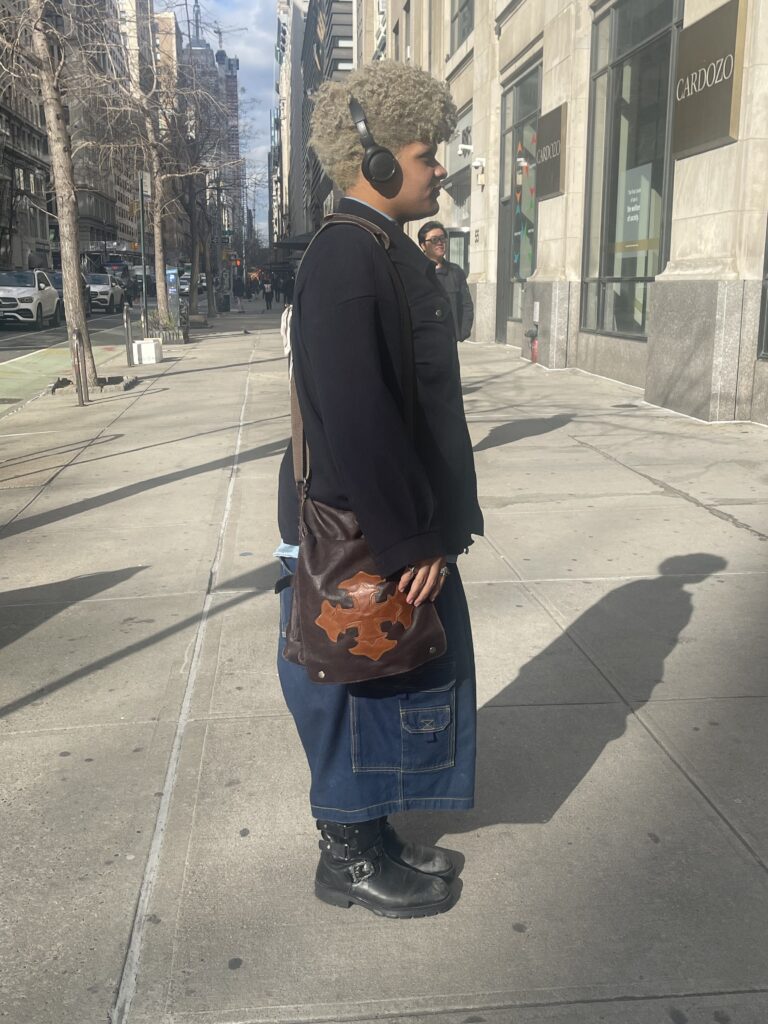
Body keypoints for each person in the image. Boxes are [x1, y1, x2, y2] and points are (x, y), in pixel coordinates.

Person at [275, 60, 483, 919]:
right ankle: (349, 853)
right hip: (358, 530)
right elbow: (356, 415)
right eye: (428, 154)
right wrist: (409, 540)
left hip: (383, 520)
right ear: (381, 163)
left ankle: (370, 832)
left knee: (391, 674)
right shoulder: (347, 258)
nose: (441, 170)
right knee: (350, 680)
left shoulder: (377, 249)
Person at [418, 221, 474, 341]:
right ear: (423, 245)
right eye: (434, 239)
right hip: (425, 340)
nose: (440, 243)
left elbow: (466, 304)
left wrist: (462, 332)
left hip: (450, 339)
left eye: (442, 238)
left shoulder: (456, 271)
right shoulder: (416, 272)